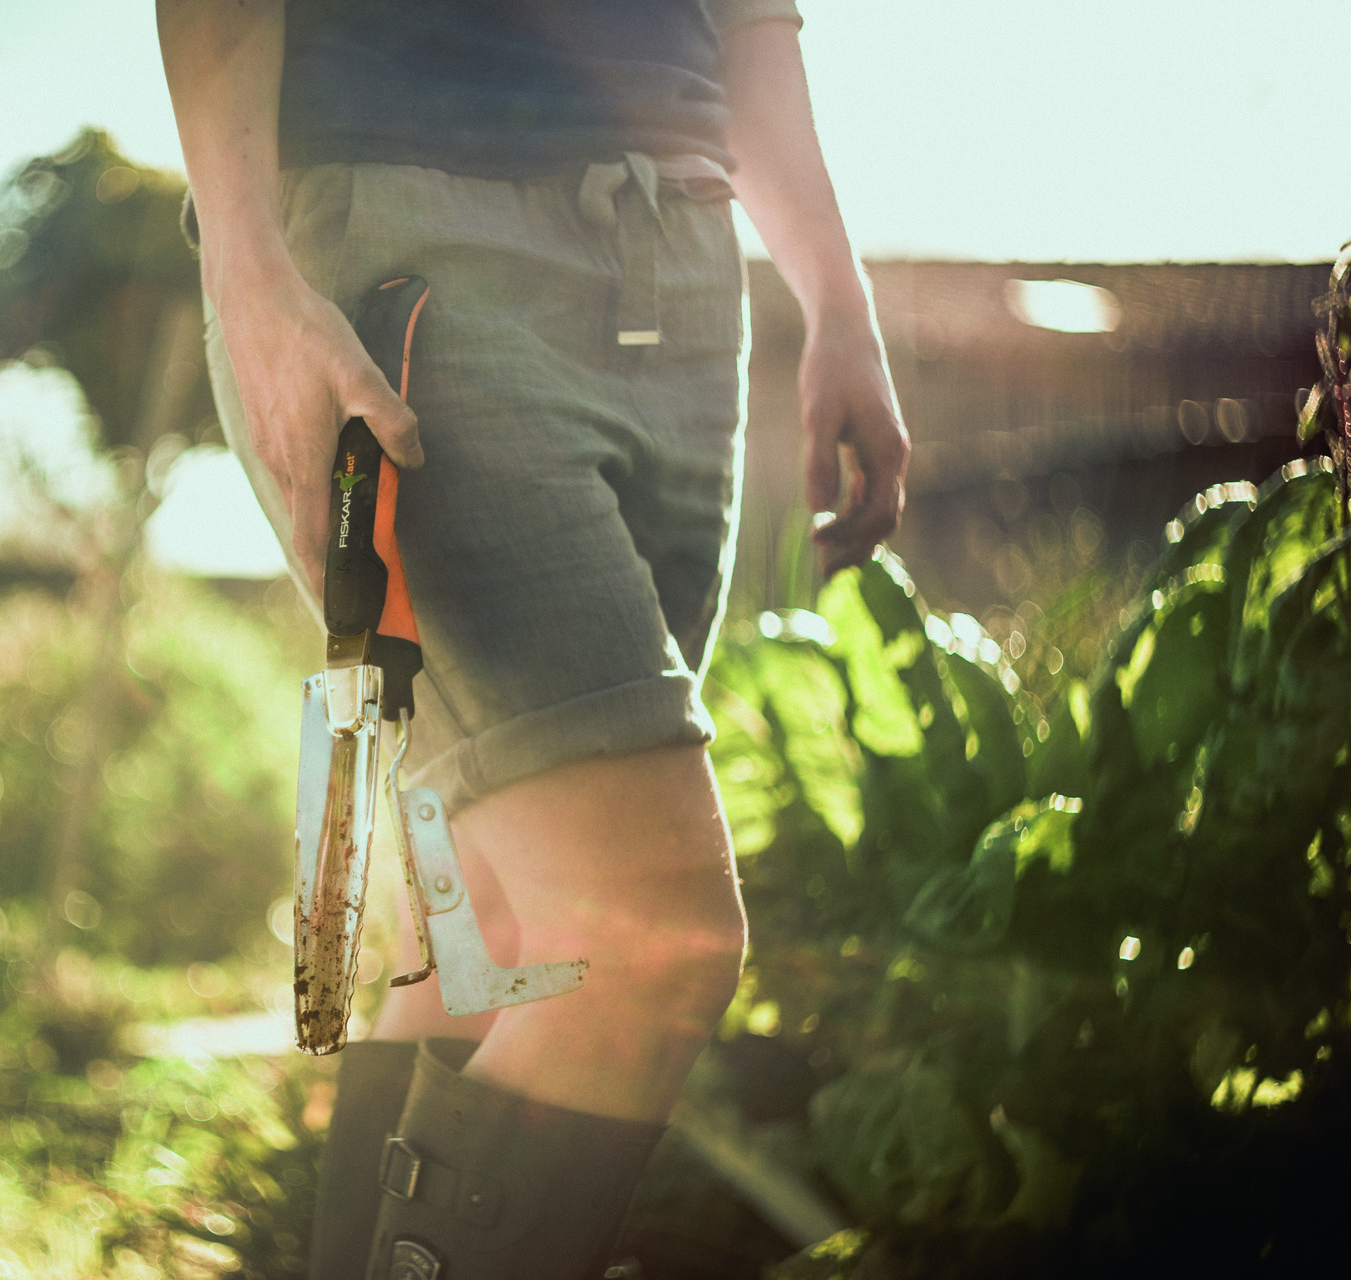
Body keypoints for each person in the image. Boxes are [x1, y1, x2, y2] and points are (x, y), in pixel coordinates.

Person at [156, 3, 907, 1276]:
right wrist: (248, 272)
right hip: (411, 245)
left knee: (493, 941)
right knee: (644, 938)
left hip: (684, 277)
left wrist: (837, 291)